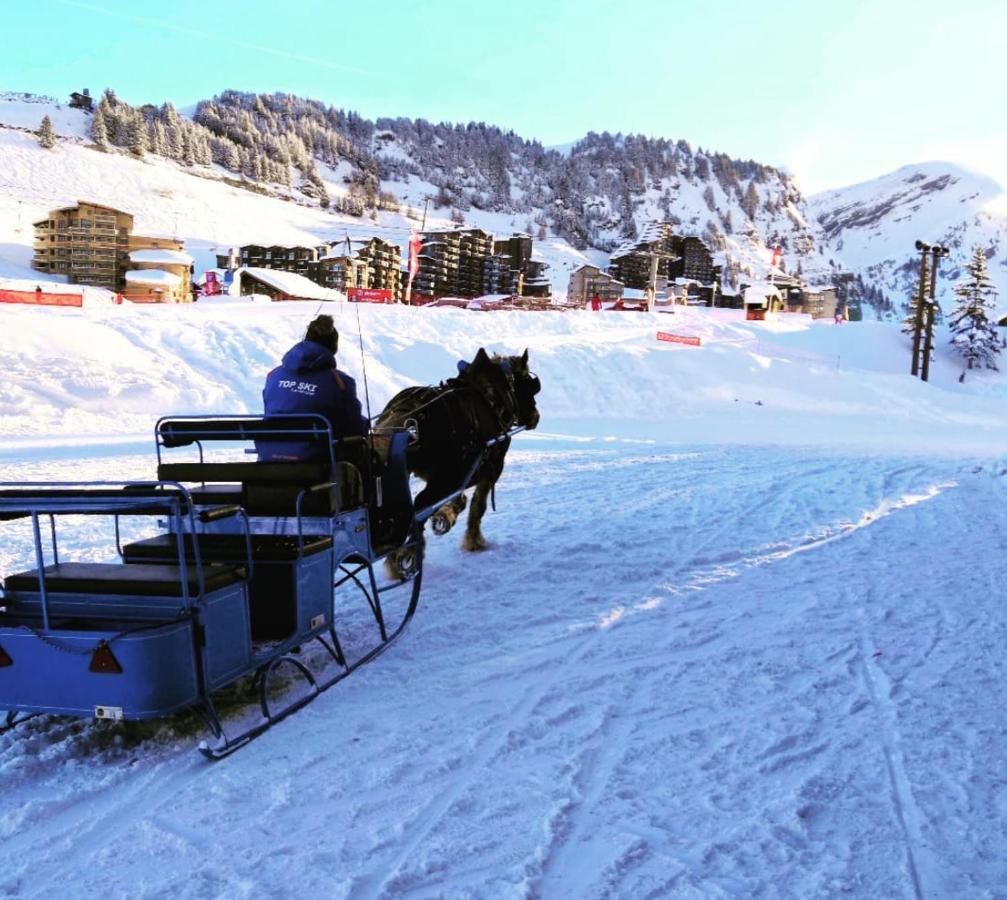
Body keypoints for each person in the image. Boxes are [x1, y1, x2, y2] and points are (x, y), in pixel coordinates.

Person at [258, 314, 368, 462]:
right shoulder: (340, 382)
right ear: (333, 347)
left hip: (269, 458)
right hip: (315, 462)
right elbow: (353, 426)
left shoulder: (273, 376)